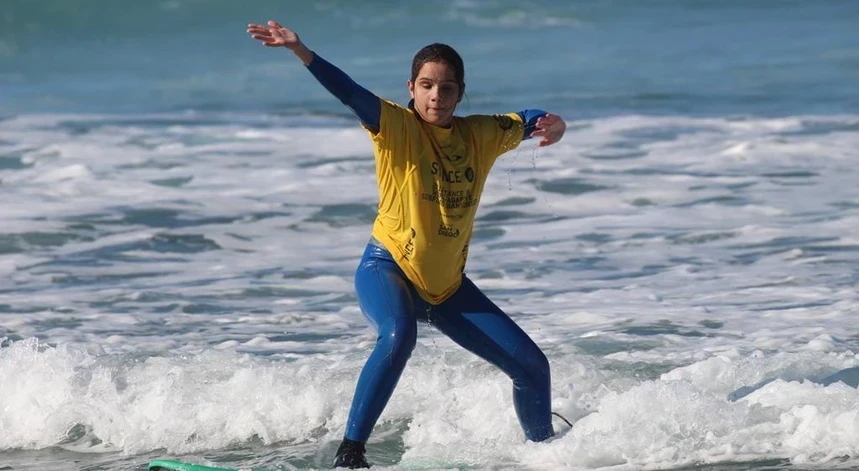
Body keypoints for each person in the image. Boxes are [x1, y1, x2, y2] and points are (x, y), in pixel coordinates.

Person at [247, 20, 567, 469]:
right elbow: (349, 91)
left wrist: (557, 124)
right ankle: (350, 455)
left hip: (446, 287)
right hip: (388, 267)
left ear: (460, 92)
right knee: (399, 335)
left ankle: (547, 457)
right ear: (411, 88)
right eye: (427, 85)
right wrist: (301, 51)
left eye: (448, 87)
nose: (437, 95)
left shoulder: (481, 133)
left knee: (533, 369)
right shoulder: (394, 125)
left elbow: (530, 117)